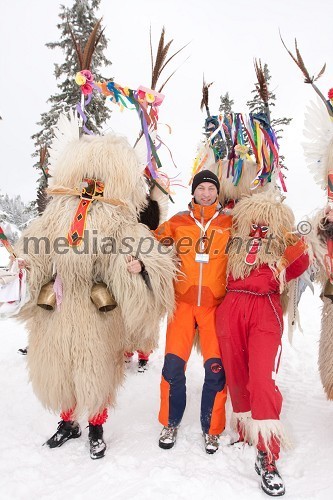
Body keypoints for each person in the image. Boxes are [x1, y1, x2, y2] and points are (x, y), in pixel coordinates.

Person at [14, 114, 176, 460]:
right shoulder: (57, 212)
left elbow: (145, 250)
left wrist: (138, 265)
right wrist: (30, 260)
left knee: (96, 367)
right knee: (60, 366)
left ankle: (97, 426)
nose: (90, 182)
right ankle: (68, 422)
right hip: (60, 306)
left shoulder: (119, 217)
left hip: (96, 309)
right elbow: (37, 243)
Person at [216, 190, 309, 496]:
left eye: (267, 221)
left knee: (261, 380)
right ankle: (245, 430)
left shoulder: (282, 249)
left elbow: (302, 261)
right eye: (254, 219)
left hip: (264, 311)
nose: (259, 225)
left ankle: (268, 454)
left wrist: (285, 231)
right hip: (230, 309)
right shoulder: (233, 241)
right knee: (237, 375)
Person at [154, 170, 232, 453]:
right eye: (202, 188)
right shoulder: (177, 222)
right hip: (182, 306)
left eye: (211, 188)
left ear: (217, 192)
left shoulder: (228, 223)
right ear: (194, 191)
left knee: (215, 370)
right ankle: (170, 422)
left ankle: (212, 429)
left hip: (214, 307)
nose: (207, 193)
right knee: (173, 367)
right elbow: (153, 243)